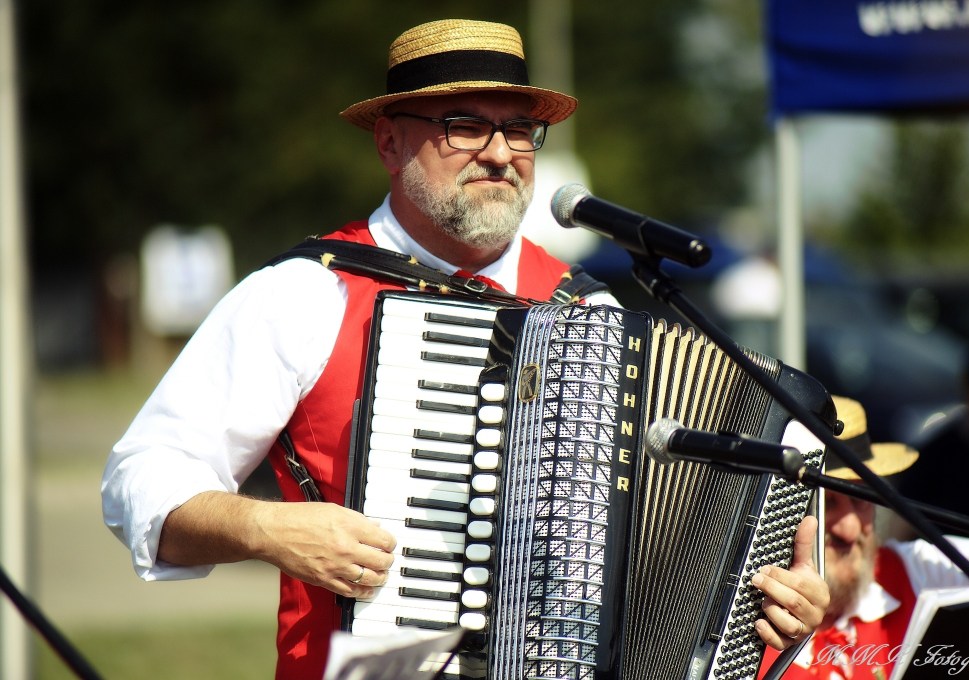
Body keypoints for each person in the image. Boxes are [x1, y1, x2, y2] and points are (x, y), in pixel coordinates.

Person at [101, 18, 828, 678]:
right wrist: (267, 528)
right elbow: (142, 481)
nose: (500, 154)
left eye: (520, 131)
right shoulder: (303, 293)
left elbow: (661, 550)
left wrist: (765, 599)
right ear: (390, 143)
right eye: (464, 126)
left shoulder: (589, 312)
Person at [759, 396, 969, 680]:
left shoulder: (917, 572)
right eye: (828, 503)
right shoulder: (744, 621)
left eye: (861, 498)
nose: (850, 529)